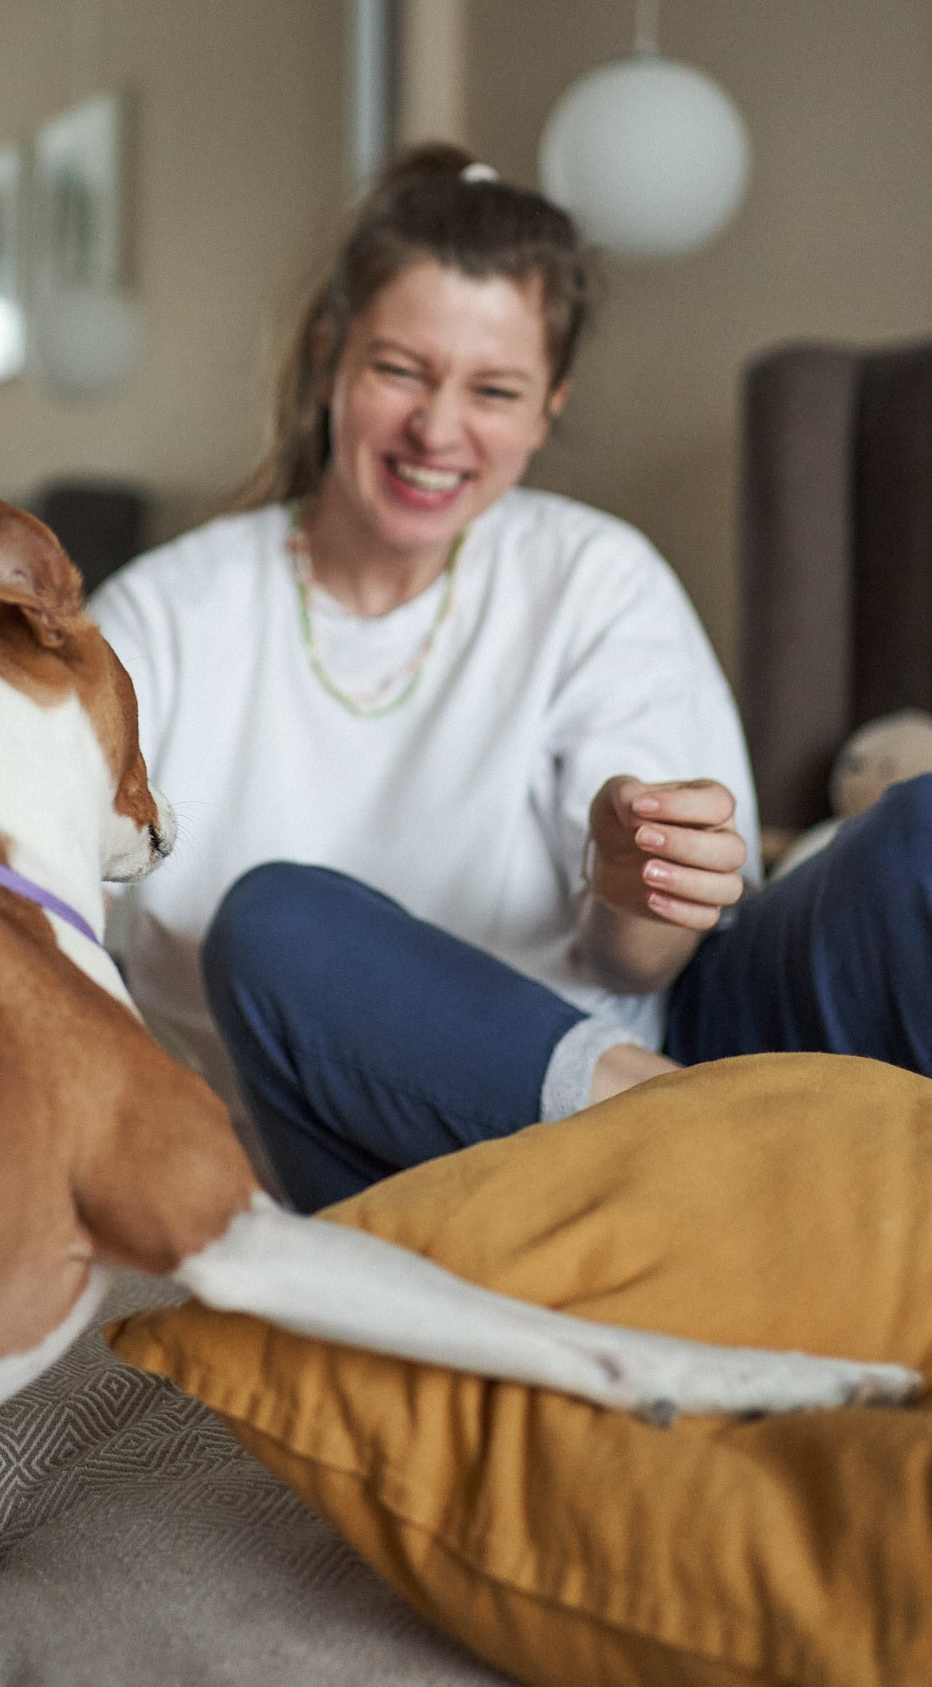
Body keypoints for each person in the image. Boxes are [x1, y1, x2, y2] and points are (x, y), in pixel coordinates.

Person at [90, 143, 932, 1213]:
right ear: (329, 357)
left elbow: (641, 969)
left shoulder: (594, 573)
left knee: (916, 835)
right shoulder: (163, 618)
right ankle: (767, 1178)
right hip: (416, 1147)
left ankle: (729, 1170)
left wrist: (634, 889)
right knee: (273, 925)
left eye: (493, 390)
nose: (437, 429)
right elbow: (26, 904)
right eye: (400, 371)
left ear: (545, 410)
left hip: (661, 1048)